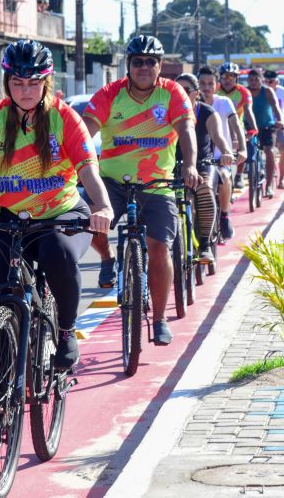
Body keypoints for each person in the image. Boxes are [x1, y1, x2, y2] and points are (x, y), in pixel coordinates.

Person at [0, 39, 113, 371]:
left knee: (57, 253)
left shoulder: (64, 117)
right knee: (2, 298)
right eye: (17, 83)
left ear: (46, 82)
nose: (25, 91)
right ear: (6, 83)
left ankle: (66, 330)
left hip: (60, 214)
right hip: (7, 217)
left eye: (33, 83)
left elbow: (88, 168)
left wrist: (102, 206)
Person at [81, 35, 199, 346]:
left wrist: (189, 166)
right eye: (137, 62)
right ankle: (108, 258)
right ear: (128, 65)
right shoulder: (110, 94)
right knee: (87, 220)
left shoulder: (172, 93)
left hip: (157, 183)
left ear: (160, 66)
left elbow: (186, 129)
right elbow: (85, 131)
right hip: (113, 182)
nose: (144, 67)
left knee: (160, 247)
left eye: (151, 62)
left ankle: (159, 319)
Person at [175, 73, 234, 262]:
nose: (181, 94)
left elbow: (218, 136)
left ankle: (205, 243)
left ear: (196, 94)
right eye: (177, 90)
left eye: (186, 90)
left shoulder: (207, 112)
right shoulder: (164, 113)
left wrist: (226, 151)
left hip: (203, 165)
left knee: (205, 189)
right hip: (172, 167)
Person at [197, 65, 247, 240]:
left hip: (219, 159)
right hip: (198, 161)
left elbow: (236, 125)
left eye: (210, 83)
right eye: (202, 83)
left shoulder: (223, 103)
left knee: (225, 178)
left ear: (216, 85)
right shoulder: (191, 105)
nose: (206, 88)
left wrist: (242, 148)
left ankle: (225, 216)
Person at [217, 62, 257, 189]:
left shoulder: (244, 92)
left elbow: (248, 111)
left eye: (231, 77)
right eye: (224, 77)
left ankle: (239, 174)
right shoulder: (215, 89)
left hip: (236, 128)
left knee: (244, 145)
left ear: (237, 78)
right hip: (217, 126)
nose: (227, 80)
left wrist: (254, 128)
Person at [246, 68, 284, 198]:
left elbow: (276, 107)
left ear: (262, 80)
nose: (254, 82)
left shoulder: (267, 91)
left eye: (257, 80)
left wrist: (280, 120)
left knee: (269, 151)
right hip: (249, 127)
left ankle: (268, 186)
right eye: (251, 80)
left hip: (267, 127)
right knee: (244, 150)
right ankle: (240, 176)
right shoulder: (245, 92)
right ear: (247, 81)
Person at [263, 70, 284, 189]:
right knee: (266, 151)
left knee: (283, 149)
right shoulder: (261, 91)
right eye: (265, 81)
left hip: (280, 125)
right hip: (264, 125)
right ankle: (266, 177)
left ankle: (281, 180)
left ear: (277, 81)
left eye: (270, 81)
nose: (267, 83)